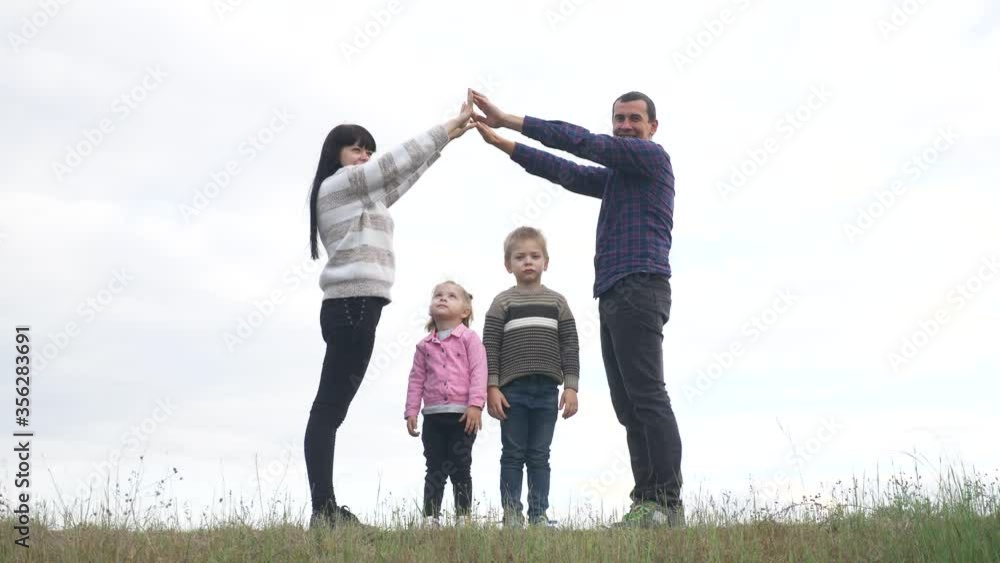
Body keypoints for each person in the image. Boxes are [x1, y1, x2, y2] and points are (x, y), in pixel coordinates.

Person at [472, 91, 685, 527]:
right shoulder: (617, 179)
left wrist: (510, 119)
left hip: (640, 287)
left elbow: (582, 143)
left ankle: (667, 501)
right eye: (619, 119)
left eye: (634, 119)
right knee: (628, 405)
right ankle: (647, 502)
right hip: (612, 293)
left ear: (652, 127)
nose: (625, 125)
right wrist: (502, 145)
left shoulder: (651, 159)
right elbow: (564, 171)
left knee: (647, 396)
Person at [304, 91, 475, 528]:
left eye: (367, 148)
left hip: (357, 308)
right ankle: (323, 510)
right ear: (336, 155)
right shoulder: (338, 184)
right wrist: (443, 127)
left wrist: (448, 140)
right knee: (328, 411)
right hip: (352, 308)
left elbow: (401, 177)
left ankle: (324, 508)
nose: (363, 154)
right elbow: (392, 164)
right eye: (354, 147)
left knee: (330, 410)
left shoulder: (364, 196)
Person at [483, 227, 580, 527]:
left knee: (539, 455)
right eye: (520, 257)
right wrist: (492, 387)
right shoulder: (502, 303)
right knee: (512, 454)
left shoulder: (558, 303)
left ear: (546, 262)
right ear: (507, 265)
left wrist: (571, 387)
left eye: (535, 256)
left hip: (547, 391)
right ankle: (512, 516)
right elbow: (489, 347)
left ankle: (538, 515)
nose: (528, 262)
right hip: (512, 392)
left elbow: (570, 344)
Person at [404, 281, 487, 527]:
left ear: (465, 311)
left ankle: (463, 517)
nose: (442, 298)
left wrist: (475, 405)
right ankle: (431, 517)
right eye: (438, 295)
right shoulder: (424, 346)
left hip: (463, 415)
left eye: (451, 296)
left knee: (461, 466)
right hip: (433, 416)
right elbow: (416, 378)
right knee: (435, 467)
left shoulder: (470, 339)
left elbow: (479, 371)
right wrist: (411, 410)